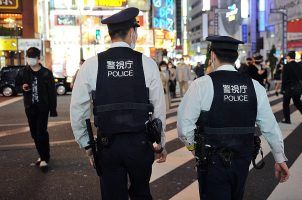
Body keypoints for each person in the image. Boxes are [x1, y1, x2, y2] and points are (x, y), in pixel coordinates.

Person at [70, 7, 167, 200]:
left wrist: (87, 146)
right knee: (141, 193)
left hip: (107, 145)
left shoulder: (91, 65)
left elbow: (78, 110)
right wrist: (160, 144)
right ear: (132, 32)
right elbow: (158, 108)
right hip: (140, 143)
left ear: (110, 34)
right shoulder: (147, 64)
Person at [177, 36, 289, 200]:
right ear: (236, 57)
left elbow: (184, 128)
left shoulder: (202, 84)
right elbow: (270, 127)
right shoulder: (254, 86)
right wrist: (280, 158)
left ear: (213, 56)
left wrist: (197, 150)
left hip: (211, 161)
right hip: (242, 160)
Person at [16, 47, 57, 169]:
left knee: (41, 132)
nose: (30, 60)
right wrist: (22, 87)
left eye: (33, 57)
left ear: (39, 58)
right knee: (34, 133)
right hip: (30, 107)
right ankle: (42, 154)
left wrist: (53, 109)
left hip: (43, 108)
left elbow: (52, 92)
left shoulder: (46, 73)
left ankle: (45, 157)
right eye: (29, 57)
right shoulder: (23, 72)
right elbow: (17, 85)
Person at [281, 51, 302, 124]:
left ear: (289, 57)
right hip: (297, 88)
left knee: (286, 104)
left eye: (287, 56)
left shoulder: (286, 66)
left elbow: (284, 79)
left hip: (288, 88)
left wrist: (282, 89)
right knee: (298, 103)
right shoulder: (299, 65)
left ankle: (287, 120)